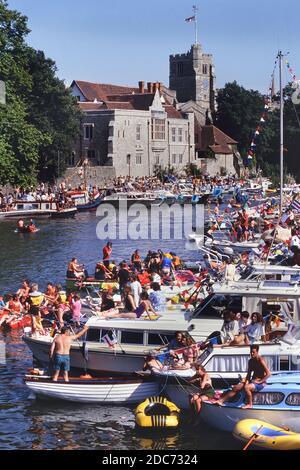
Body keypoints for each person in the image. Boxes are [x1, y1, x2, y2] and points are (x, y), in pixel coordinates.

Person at [215, 344, 271, 409]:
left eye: (253, 352)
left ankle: (250, 404)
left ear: (257, 352)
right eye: (251, 352)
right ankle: (221, 401)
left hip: (261, 383)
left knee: (247, 387)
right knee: (236, 388)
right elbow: (249, 374)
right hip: (253, 381)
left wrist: (260, 381)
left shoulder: (261, 360)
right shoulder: (250, 361)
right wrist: (246, 382)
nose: (252, 354)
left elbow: (268, 374)